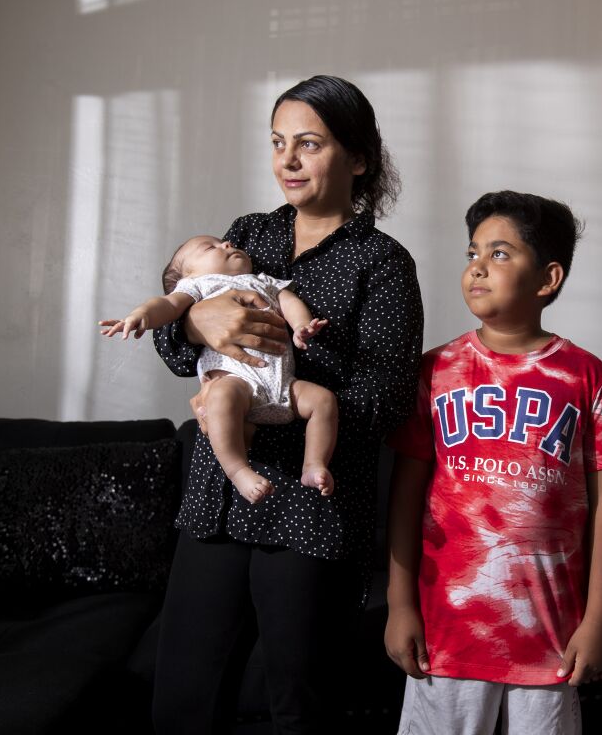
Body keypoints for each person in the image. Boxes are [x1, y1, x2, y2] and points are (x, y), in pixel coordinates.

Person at [149, 75, 424, 734]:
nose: (288, 161)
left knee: (298, 703)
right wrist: (197, 326)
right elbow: (178, 335)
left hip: (311, 505)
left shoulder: (381, 262)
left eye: (309, 143)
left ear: (358, 158)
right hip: (218, 496)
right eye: (278, 143)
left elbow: (384, 400)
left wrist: (269, 403)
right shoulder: (246, 236)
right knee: (184, 696)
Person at [384, 191, 602, 735]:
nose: (477, 266)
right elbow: (406, 494)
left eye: (500, 254)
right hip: (447, 633)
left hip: (548, 639)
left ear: (547, 279)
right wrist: (398, 602)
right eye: (472, 252)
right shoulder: (436, 371)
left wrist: (600, 620)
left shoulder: (589, 379)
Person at [100, 234, 335, 501]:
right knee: (221, 399)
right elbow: (166, 305)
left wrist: (301, 326)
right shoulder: (199, 285)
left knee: (323, 401)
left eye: (227, 243)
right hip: (237, 381)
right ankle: (237, 471)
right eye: (210, 247)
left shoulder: (264, 281)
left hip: (283, 384)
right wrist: (140, 316)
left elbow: (290, 303)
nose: (227, 244)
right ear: (187, 275)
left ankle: (313, 463)